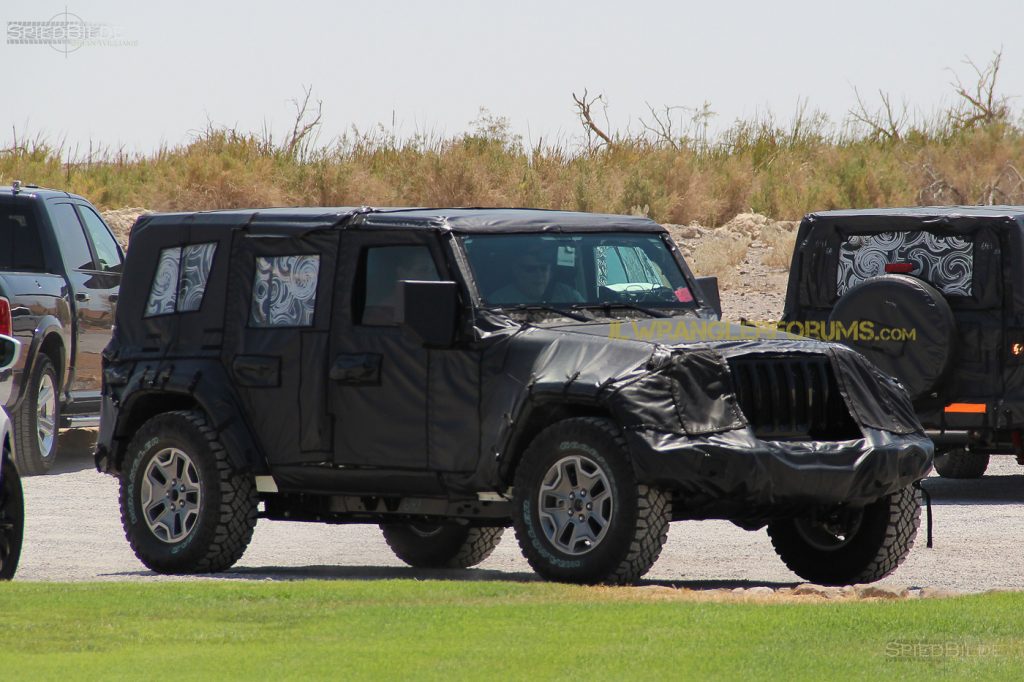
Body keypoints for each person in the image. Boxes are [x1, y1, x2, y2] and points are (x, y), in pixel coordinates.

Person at [489, 248, 583, 304]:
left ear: (551, 272)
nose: (539, 275)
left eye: (544, 269)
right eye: (530, 269)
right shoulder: (500, 300)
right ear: (516, 270)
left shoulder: (567, 295)